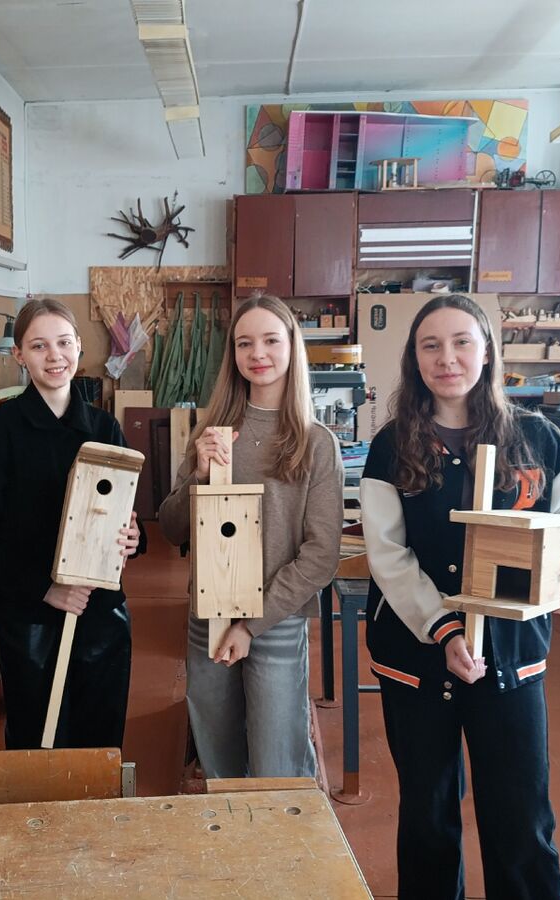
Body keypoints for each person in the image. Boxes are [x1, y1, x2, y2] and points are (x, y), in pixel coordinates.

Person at [361, 294, 560, 899]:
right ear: (415, 359)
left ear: (488, 352)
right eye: (431, 346)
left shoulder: (537, 440)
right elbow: (388, 555)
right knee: (428, 815)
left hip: (510, 655)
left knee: (521, 817)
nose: (446, 358)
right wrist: (443, 628)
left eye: (461, 342)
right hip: (418, 655)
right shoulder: (391, 446)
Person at [158, 294, 343, 778]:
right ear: (233, 354)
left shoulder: (316, 443)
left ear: (292, 347)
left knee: (275, 762)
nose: (257, 353)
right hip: (210, 618)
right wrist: (199, 475)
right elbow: (173, 528)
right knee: (218, 756)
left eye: (270, 340)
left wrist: (250, 625)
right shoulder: (213, 434)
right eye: (244, 343)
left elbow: (321, 556)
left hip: (276, 623)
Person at [0, 297, 142, 750]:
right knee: (39, 739)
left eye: (64, 343)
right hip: (29, 615)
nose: (54, 356)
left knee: (100, 738)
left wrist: (134, 537)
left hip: (98, 610)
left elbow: (121, 512)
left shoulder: (104, 428)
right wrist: (45, 588)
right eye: (39, 346)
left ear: (78, 346)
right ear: (20, 355)